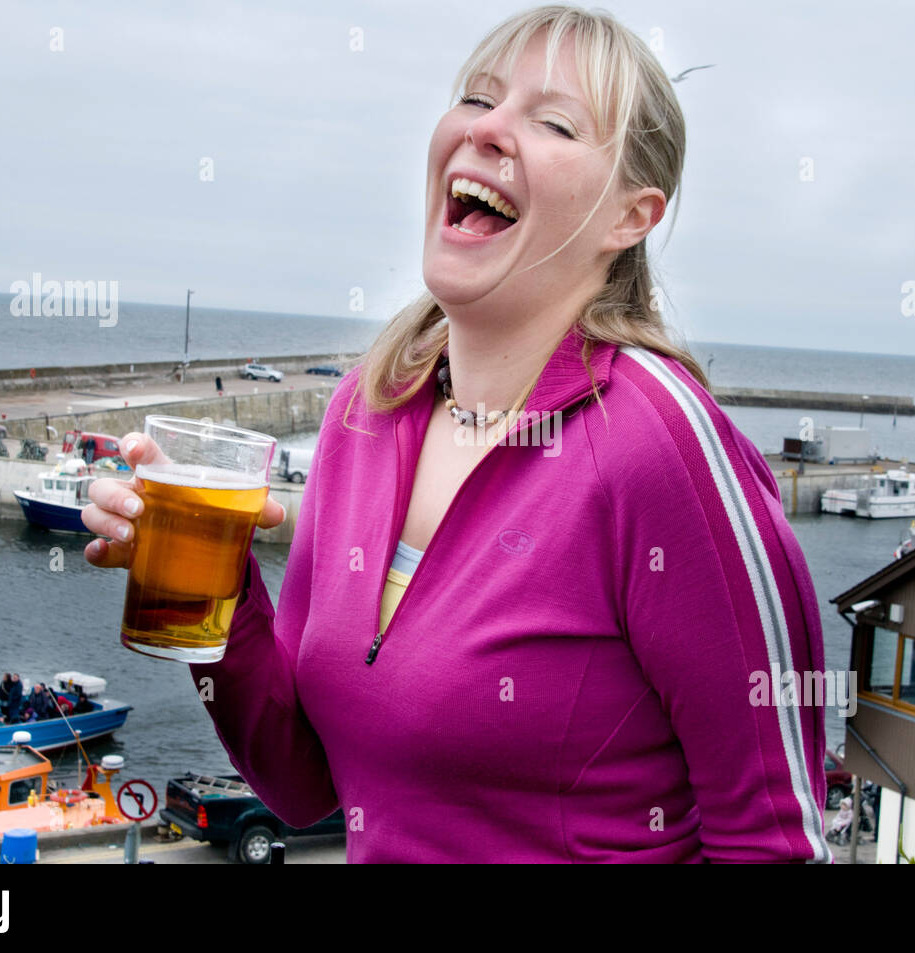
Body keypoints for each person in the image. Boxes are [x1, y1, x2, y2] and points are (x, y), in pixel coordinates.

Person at [82, 6, 828, 863]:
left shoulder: (660, 443)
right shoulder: (366, 409)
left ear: (632, 216)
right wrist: (215, 593)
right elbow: (303, 784)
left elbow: (773, 840)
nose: (488, 129)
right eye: (476, 98)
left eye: (552, 122)